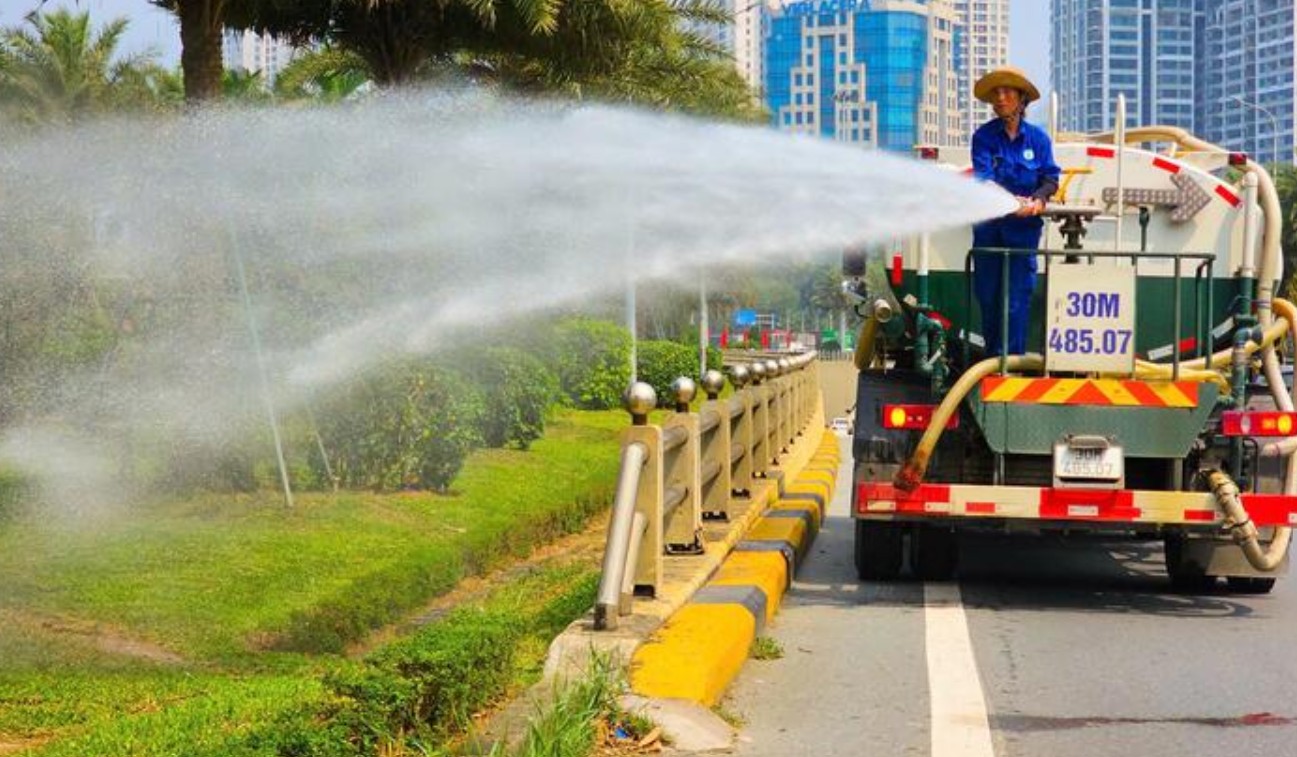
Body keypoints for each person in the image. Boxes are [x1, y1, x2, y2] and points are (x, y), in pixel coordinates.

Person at [970, 67, 1060, 356]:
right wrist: (1011, 202)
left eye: (1007, 92)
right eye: (996, 93)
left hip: (1023, 235)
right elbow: (983, 180)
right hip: (989, 232)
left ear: (1022, 99)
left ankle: (1010, 364)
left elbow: (1050, 178)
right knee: (988, 296)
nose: (1000, 97)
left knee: (1017, 299)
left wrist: (1037, 201)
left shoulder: (1038, 139)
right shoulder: (983, 137)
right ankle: (993, 361)